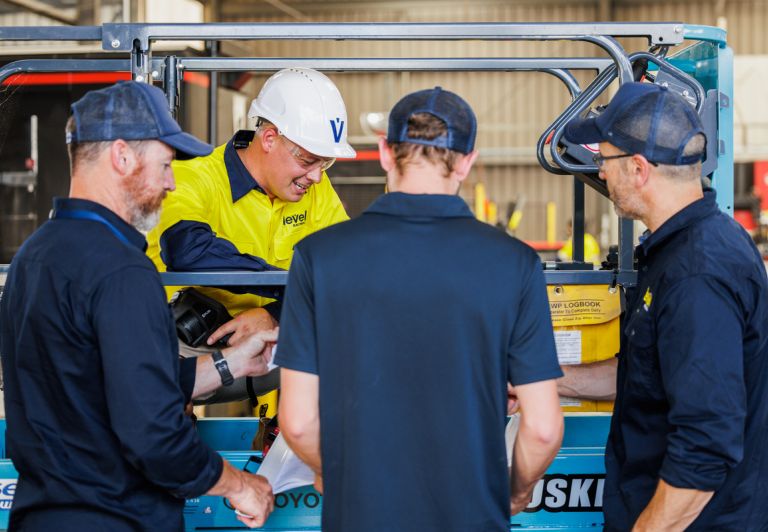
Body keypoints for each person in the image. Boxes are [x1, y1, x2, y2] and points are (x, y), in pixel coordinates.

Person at [276, 87, 564, 531]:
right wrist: (516, 491)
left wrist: (335, 473)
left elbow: (297, 422)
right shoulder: (516, 264)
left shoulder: (318, 257)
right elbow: (542, 428)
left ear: (385, 153)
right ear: (467, 162)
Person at [0, 81, 276, 531]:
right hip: (116, 517)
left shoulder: (34, 256)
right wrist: (239, 485)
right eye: (165, 165)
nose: (171, 183)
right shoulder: (122, 271)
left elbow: (103, 385)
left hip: (43, 514)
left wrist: (231, 364)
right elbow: (155, 436)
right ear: (122, 156)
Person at [560, 82, 768, 530]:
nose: (601, 173)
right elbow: (647, 372)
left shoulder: (698, 273)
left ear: (638, 169)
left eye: (605, 160)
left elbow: (705, 448)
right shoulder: (679, 249)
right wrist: (545, 379)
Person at [146, 67, 355, 405]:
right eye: (308, 160)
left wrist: (275, 313)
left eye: (325, 163)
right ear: (269, 139)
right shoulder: (192, 177)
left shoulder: (315, 189)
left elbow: (347, 270)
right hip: (184, 361)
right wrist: (287, 286)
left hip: (269, 363)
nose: (316, 177)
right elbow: (188, 249)